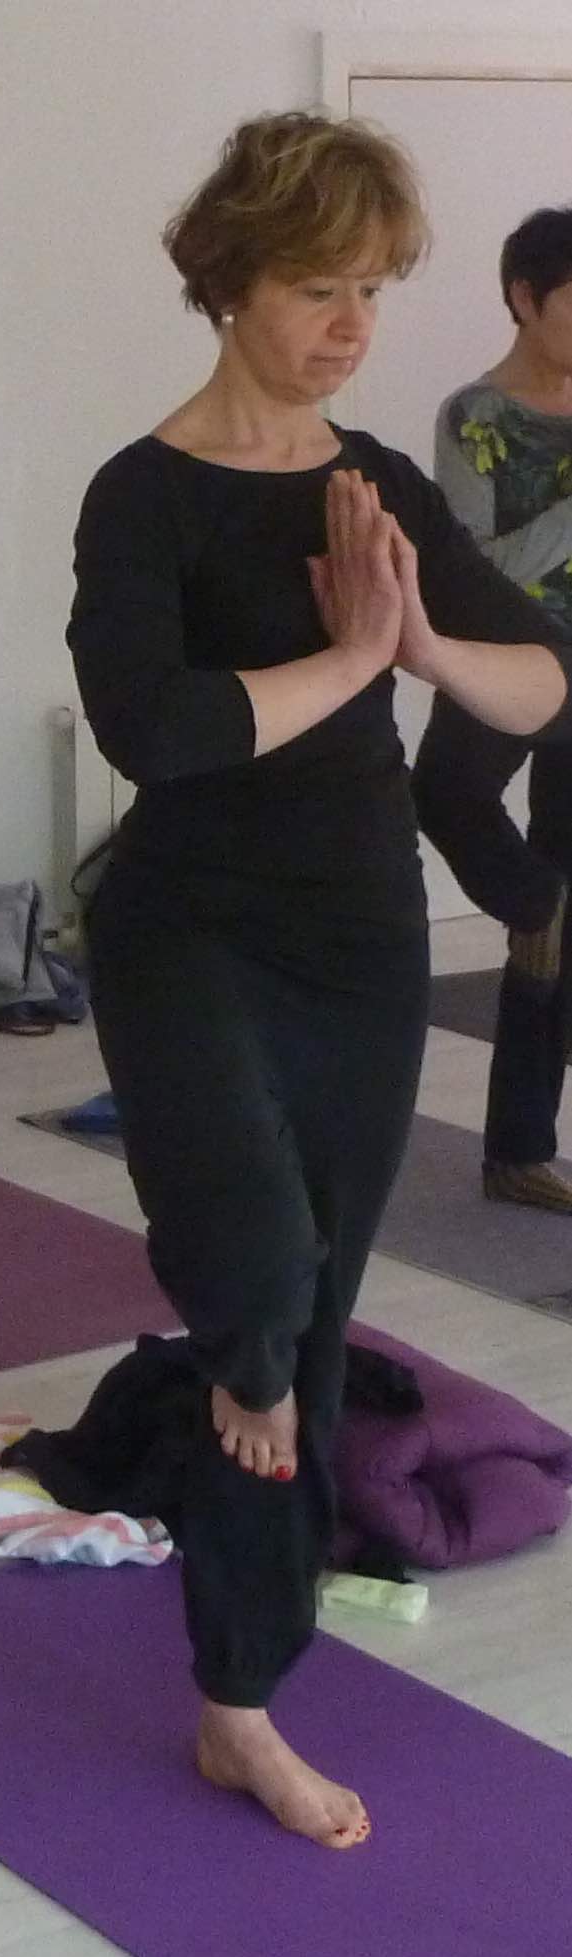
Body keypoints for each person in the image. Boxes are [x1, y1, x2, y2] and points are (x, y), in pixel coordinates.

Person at [68, 112, 572, 1852]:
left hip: (354, 940)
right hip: (186, 929)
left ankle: (236, 1702)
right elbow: (158, 729)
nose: (351, 324)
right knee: (258, 1291)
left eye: (370, 289)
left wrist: (419, 644)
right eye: (316, 287)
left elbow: (535, 683)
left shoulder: (373, 480)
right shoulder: (140, 496)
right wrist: (349, 654)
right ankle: (239, 1364)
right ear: (226, 283)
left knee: (298, 1328)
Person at [413, 205, 572, 1212]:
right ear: (524, 299)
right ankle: (534, 901)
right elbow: (468, 568)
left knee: (560, 899)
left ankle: (518, 1149)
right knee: (447, 792)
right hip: (506, 655)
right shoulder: (473, 416)